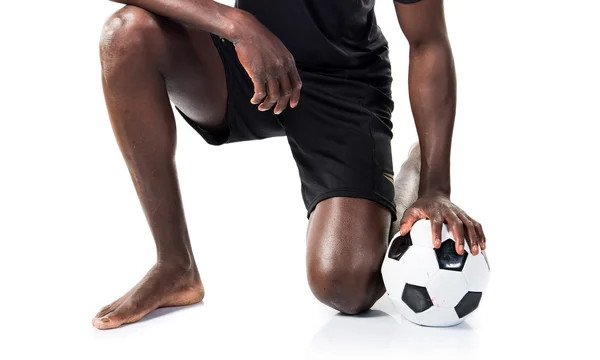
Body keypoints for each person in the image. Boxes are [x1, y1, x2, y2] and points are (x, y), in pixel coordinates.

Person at [93, 0, 487, 330]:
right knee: (127, 34)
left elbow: (427, 42)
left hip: (343, 86)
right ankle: (174, 265)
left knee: (344, 286)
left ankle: (406, 182)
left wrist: (436, 187)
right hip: (248, 61)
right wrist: (236, 24)